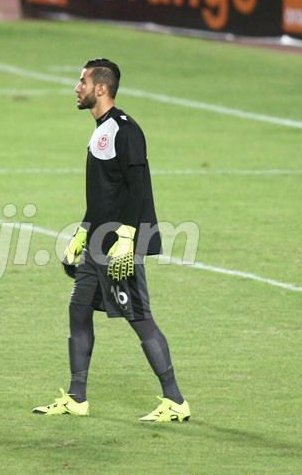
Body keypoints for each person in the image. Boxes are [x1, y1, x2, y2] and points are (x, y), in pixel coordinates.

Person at [32, 58, 190, 422]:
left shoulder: (125, 129)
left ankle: (176, 401)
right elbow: (105, 192)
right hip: (98, 242)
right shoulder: (101, 129)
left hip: (120, 243)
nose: (77, 87)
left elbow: (138, 186)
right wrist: (84, 229)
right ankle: (76, 397)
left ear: (101, 88)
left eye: (83, 81)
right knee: (78, 308)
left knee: (139, 317)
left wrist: (128, 236)